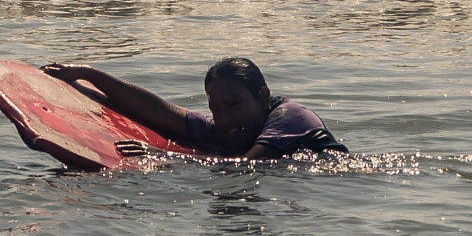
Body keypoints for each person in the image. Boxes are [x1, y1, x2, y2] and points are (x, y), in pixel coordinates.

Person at [41, 56, 347, 160]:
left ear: (263, 98)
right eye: (215, 108)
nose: (224, 118)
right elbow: (163, 113)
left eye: (234, 104)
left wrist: (169, 158)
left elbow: (248, 166)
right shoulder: (235, 129)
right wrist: (89, 75)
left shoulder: (290, 117)